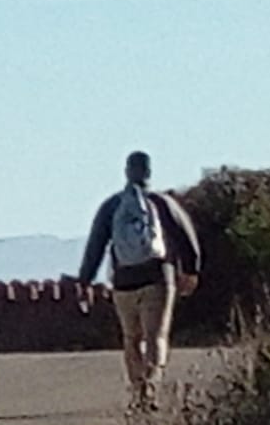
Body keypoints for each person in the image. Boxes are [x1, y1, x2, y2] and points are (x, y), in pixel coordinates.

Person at [75, 150, 202, 409]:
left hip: (123, 283)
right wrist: (190, 270)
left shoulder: (112, 206)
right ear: (149, 173)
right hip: (157, 278)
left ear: (126, 172)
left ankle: (138, 389)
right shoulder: (162, 203)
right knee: (156, 336)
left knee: (131, 338)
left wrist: (85, 280)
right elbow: (185, 236)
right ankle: (151, 388)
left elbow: (96, 245)